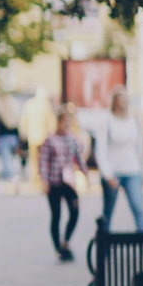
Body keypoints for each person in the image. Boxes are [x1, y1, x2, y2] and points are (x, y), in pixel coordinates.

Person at [91, 88, 143, 233]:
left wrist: (141, 171)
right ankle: (104, 245)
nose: (124, 103)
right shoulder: (107, 121)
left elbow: (139, 148)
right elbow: (101, 150)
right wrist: (108, 174)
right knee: (108, 211)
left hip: (132, 170)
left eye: (126, 100)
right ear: (115, 103)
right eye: (120, 100)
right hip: (113, 171)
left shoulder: (133, 121)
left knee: (138, 207)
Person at [39, 110, 89, 260]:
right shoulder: (50, 140)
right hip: (54, 181)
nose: (66, 124)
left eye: (68, 121)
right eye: (63, 121)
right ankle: (58, 248)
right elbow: (43, 162)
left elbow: (78, 157)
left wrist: (85, 173)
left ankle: (66, 240)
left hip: (68, 182)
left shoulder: (72, 139)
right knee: (56, 215)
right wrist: (45, 181)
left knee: (74, 211)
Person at [20, 87, 57, 191]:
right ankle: (41, 181)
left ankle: (35, 180)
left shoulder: (29, 104)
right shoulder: (46, 105)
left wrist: (24, 133)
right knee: (43, 160)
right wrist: (52, 135)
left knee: (34, 160)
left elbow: (23, 120)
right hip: (43, 137)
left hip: (33, 137)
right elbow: (51, 122)